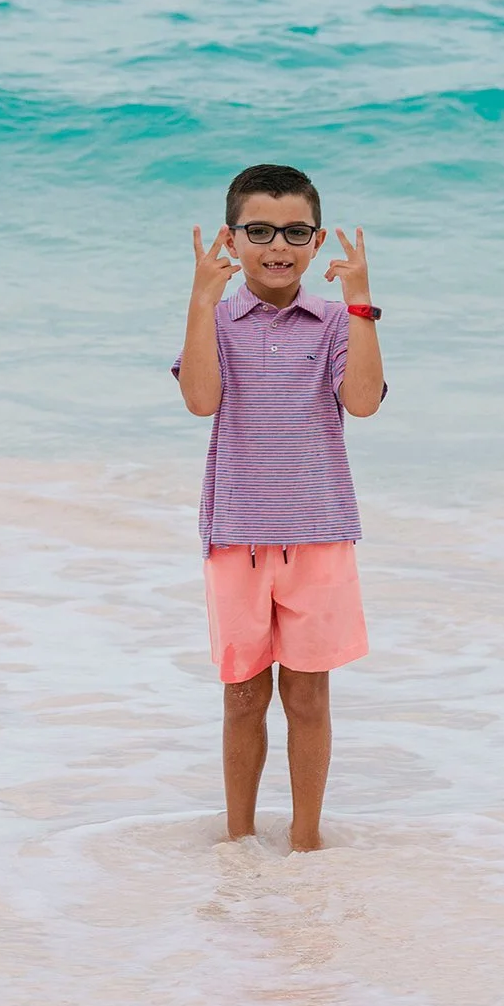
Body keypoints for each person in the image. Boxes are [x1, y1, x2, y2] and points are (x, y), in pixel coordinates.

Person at [172, 163, 385, 852]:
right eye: (258, 230)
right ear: (232, 240)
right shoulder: (220, 320)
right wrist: (201, 300)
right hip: (237, 537)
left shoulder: (331, 322)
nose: (277, 245)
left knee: (307, 697)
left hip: (320, 537)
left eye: (295, 231)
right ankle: (237, 842)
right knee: (241, 697)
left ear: (317, 241)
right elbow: (201, 400)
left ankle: (306, 842)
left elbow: (361, 401)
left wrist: (359, 303)